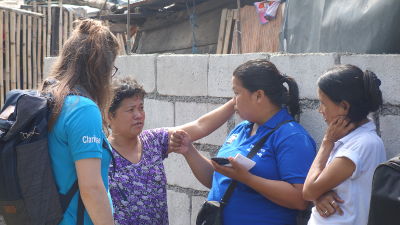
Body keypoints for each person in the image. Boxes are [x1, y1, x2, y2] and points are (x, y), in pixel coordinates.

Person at [171, 59, 317, 225]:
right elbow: (217, 179)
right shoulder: (242, 129)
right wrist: (189, 150)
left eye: (237, 93)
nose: (234, 100)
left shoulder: (291, 136)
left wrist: (248, 178)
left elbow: (300, 199)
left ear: (258, 95)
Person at [107, 77, 235, 225]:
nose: (138, 115)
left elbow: (201, 126)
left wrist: (234, 102)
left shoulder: (152, 141)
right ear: (110, 116)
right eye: (130, 110)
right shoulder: (102, 154)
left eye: (141, 107)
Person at [44, 19, 119, 225]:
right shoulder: (83, 109)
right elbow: (92, 189)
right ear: (100, 69)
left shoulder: (51, 99)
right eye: (111, 69)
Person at [303, 64, 386, 225]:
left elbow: (308, 190)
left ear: (344, 106)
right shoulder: (347, 138)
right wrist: (319, 196)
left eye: (323, 103)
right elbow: (318, 190)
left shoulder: (362, 144)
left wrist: (326, 143)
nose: (320, 110)